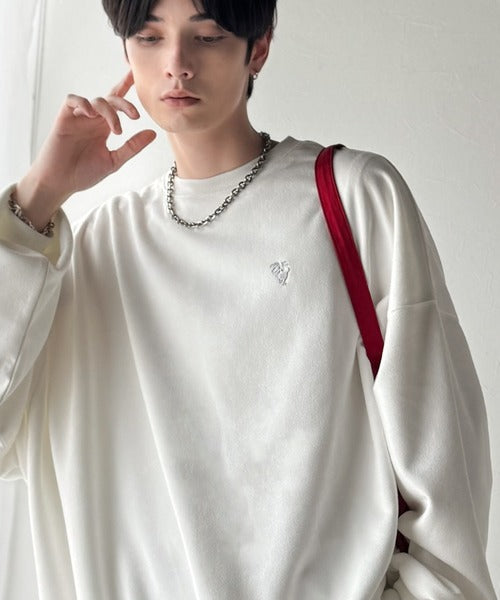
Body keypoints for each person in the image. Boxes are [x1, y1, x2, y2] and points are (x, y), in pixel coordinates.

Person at [0, 0, 495, 598]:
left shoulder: (352, 199)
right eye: (150, 38)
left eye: (207, 36)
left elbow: (446, 478)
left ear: (257, 48)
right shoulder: (102, 248)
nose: (177, 63)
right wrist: (38, 196)